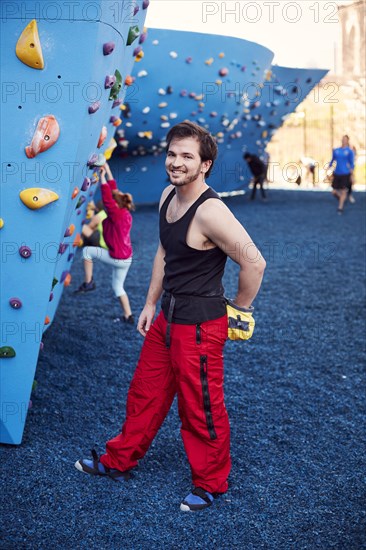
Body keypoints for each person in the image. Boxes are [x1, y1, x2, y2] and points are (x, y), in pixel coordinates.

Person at [75, 121, 266, 512]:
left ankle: (211, 482)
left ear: (205, 165)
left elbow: (255, 262)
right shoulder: (167, 195)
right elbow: (165, 253)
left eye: (187, 157)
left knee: (201, 407)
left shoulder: (211, 211)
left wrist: (240, 310)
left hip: (200, 325)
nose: (177, 163)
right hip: (166, 319)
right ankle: (119, 462)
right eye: (173, 154)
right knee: (144, 393)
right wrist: (148, 303)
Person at [74, 162, 135, 324]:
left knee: (87, 251)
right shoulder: (125, 211)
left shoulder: (115, 214)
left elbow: (108, 197)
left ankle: (88, 282)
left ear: (115, 205)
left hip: (117, 257)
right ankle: (128, 316)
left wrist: (101, 178)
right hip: (126, 259)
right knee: (118, 287)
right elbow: (114, 193)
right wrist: (107, 170)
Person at [329, 135, 355, 214]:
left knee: (343, 191)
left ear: (348, 141)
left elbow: (351, 164)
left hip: (345, 174)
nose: (344, 141)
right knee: (333, 192)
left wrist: (352, 175)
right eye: (343, 139)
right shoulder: (336, 150)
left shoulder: (350, 151)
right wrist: (328, 169)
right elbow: (332, 160)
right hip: (337, 173)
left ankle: (340, 208)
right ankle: (342, 199)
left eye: (345, 139)